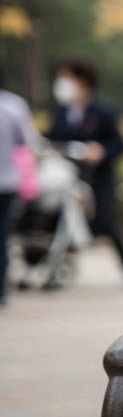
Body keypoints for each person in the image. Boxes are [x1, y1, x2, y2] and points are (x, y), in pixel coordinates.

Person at [44, 57, 123, 288]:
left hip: (99, 177)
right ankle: (55, 268)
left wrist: (101, 151)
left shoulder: (102, 110)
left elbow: (120, 143)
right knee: (56, 220)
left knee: (105, 221)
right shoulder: (61, 110)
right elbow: (52, 136)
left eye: (65, 78)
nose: (61, 83)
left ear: (82, 81)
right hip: (67, 176)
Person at [0, 97, 27, 306]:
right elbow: (26, 141)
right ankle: (1, 289)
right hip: (6, 182)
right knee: (2, 236)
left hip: (6, 182)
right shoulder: (12, 106)